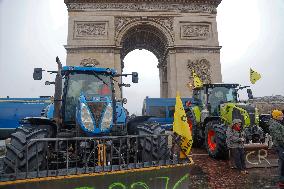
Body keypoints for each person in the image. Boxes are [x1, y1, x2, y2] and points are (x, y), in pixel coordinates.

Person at [269, 110, 284, 188]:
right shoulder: (274, 125)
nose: (282, 116)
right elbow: (279, 138)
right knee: (282, 164)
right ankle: (281, 181)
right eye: (281, 115)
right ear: (276, 117)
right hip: (281, 146)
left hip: (281, 145)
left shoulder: (277, 124)